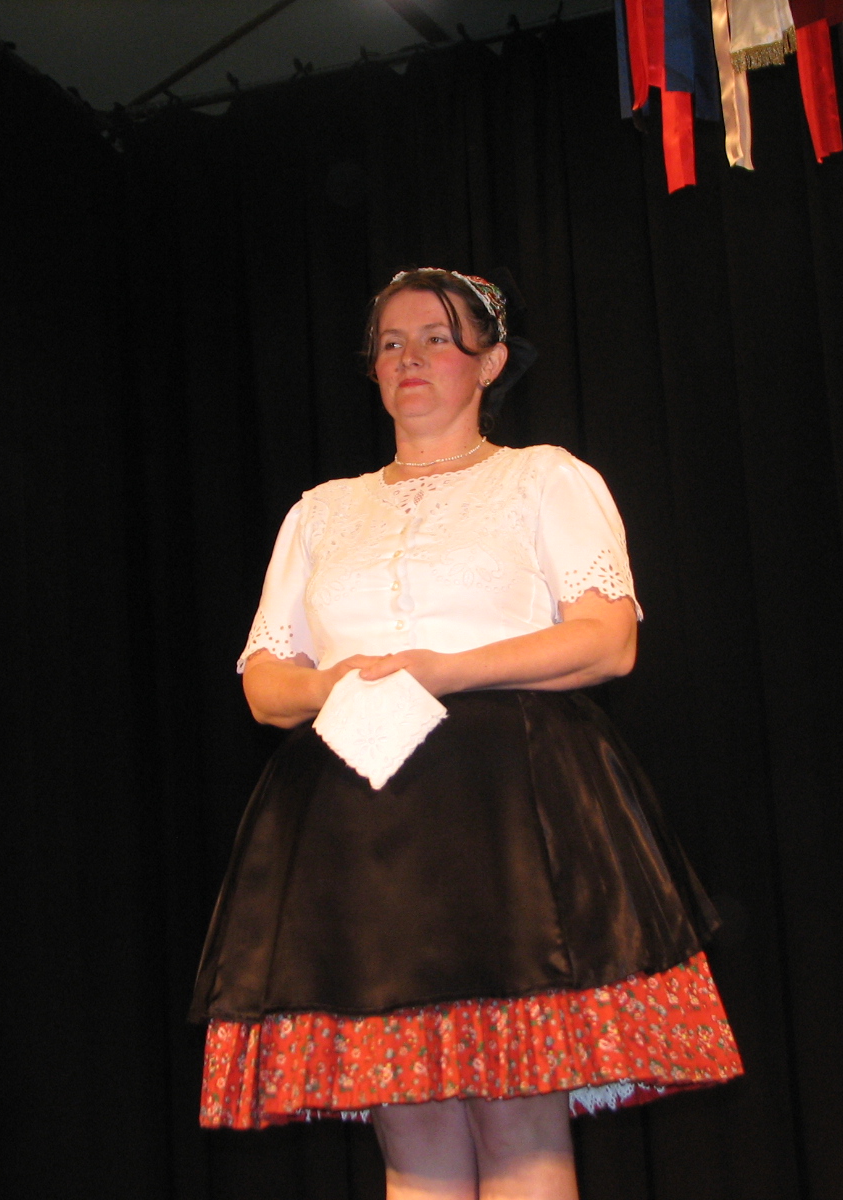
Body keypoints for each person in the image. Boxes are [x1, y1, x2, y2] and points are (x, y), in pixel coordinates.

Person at [190, 268, 742, 1199]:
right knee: (413, 1138)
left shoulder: (543, 478)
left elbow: (608, 640)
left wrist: (442, 669)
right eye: (391, 343)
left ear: (490, 363)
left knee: (518, 1121)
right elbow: (265, 684)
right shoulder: (321, 510)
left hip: (505, 816)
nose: (409, 358)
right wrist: (332, 683)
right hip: (359, 826)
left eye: (437, 339)